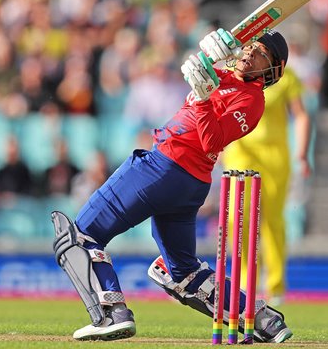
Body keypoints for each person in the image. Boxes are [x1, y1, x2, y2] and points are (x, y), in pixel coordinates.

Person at [52, 28, 293, 343]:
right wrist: (207, 53)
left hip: (165, 168)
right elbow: (194, 69)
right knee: (182, 273)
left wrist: (205, 98)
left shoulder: (252, 101)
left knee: (81, 236)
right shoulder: (224, 77)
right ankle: (260, 317)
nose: (250, 53)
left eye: (261, 54)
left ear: (271, 71)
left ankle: (112, 314)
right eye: (250, 47)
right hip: (187, 185)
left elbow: (211, 140)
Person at [222, 66, 311, 306]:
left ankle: (275, 286)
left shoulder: (285, 75)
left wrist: (301, 153)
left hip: (275, 155)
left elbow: (300, 114)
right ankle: (243, 284)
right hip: (241, 151)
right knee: (237, 219)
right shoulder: (235, 73)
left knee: (272, 220)